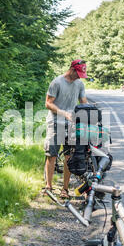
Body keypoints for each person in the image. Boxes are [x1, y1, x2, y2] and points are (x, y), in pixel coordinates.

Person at [44, 59, 89, 198]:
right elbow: (48, 103)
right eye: (79, 73)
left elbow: (83, 102)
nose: (80, 76)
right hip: (56, 122)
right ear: (72, 69)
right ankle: (48, 187)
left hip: (71, 124)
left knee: (69, 157)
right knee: (51, 155)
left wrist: (88, 114)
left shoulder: (79, 84)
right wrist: (63, 113)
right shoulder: (57, 82)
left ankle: (65, 189)